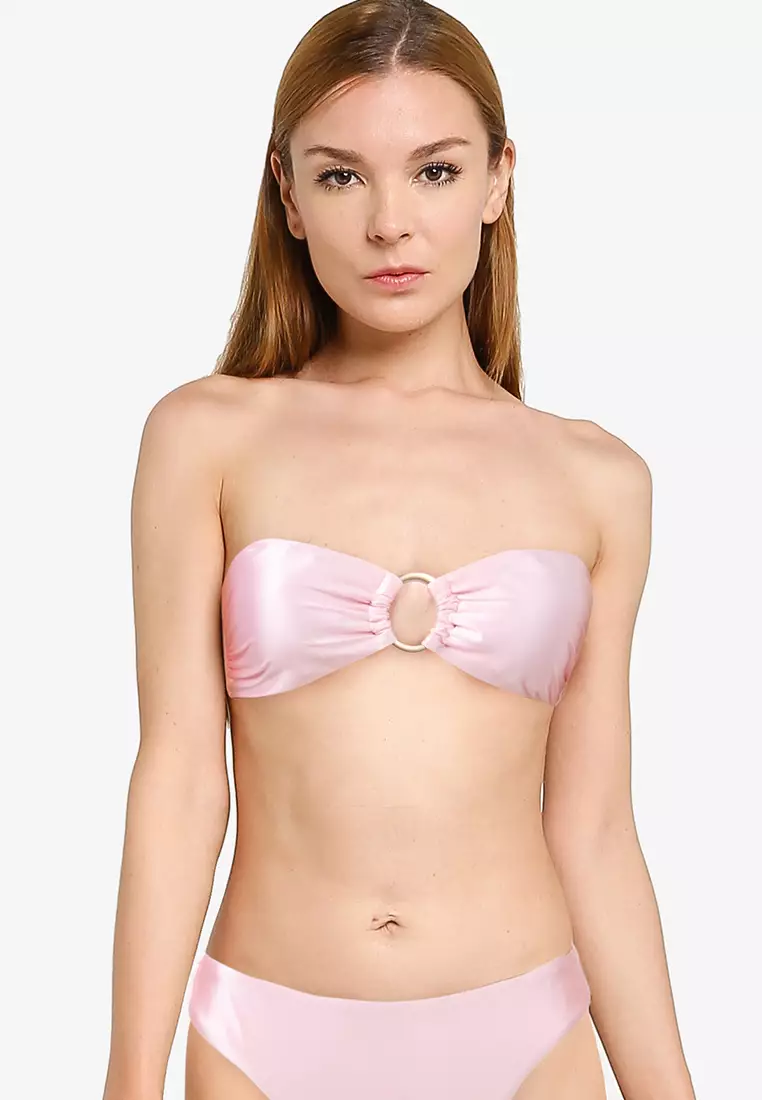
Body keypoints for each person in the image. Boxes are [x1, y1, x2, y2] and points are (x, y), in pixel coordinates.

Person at [102, 2, 696, 1098]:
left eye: (434, 171)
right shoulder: (205, 437)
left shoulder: (598, 478)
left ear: (498, 179)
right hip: (265, 1033)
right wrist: (128, 1080)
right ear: (287, 194)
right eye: (341, 176)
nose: (390, 224)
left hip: (528, 1033)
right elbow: (179, 779)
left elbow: (597, 828)